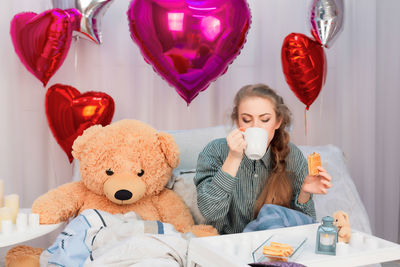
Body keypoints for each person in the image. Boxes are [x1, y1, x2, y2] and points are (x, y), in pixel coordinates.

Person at [194, 84, 332, 234]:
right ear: (237, 122)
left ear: (278, 122)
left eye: (265, 120)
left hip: (273, 248)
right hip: (227, 248)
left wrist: (305, 193)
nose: (256, 127)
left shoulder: (292, 156)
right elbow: (209, 212)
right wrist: (233, 158)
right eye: (246, 120)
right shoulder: (216, 151)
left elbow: (305, 226)